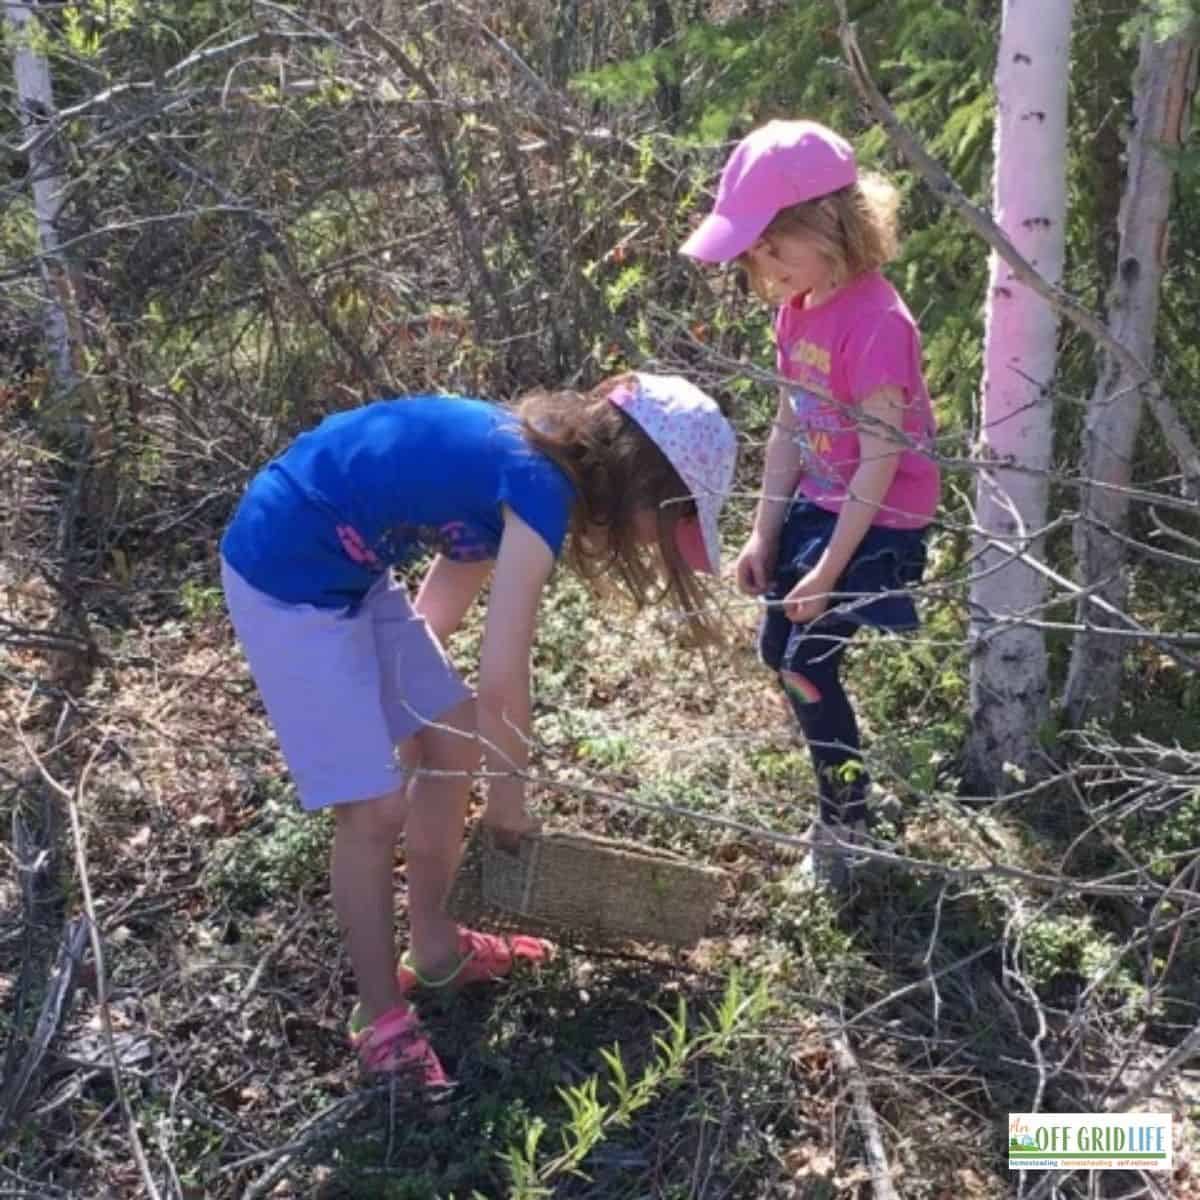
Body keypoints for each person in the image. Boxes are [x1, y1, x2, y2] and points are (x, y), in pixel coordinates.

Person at [219, 372, 737, 1087]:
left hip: (352, 576)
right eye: (670, 520)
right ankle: (380, 1018)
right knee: (372, 807)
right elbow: (504, 677)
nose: (659, 543)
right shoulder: (538, 485)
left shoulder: (520, 472)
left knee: (451, 732)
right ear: (639, 481)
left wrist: (408, 720)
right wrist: (506, 808)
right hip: (284, 570)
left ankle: (434, 949)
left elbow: (438, 615)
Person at [681, 119, 940, 892]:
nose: (762, 266)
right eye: (754, 252)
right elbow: (791, 425)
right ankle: (845, 797)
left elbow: (882, 460)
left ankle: (848, 823)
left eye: (772, 246)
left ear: (829, 225)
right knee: (776, 651)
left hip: (877, 522)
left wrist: (829, 569)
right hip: (819, 508)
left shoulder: (878, 324)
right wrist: (764, 533)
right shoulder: (797, 311)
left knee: (808, 662)